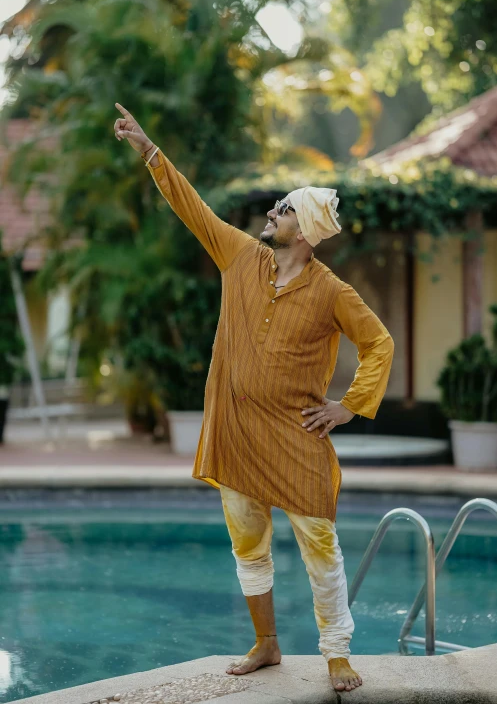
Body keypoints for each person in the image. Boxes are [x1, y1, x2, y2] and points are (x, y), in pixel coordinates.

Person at [114, 103, 394, 693]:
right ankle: (267, 644)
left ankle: (337, 652)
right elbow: (194, 210)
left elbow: (379, 343)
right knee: (248, 545)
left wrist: (350, 405)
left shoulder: (332, 292)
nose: (272, 211)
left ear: (306, 228)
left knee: (321, 544)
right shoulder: (242, 256)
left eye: (284, 208)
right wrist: (149, 151)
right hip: (237, 432)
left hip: (295, 437)